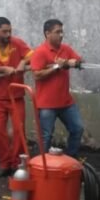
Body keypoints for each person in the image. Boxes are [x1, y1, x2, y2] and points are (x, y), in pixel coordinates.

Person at [0, 17, 33, 177]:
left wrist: (23, 64)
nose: (8, 34)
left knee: (19, 130)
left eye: (10, 31)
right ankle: (4, 164)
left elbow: (32, 55)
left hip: (16, 96)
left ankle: (17, 164)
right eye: (4, 31)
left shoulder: (17, 42)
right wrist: (4, 69)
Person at [30, 19, 84, 158]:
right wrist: (56, 67)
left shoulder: (66, 49)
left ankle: (71, 159)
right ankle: (41, 165)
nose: (61, 35)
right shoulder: (40, 52)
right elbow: (37, 75)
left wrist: (76, 62)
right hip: (47, 104)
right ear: (47, 33)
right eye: (57, 32)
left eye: (62, 31)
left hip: (66, 102)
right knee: (45, 137)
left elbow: (80, 61)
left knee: (77, 128)